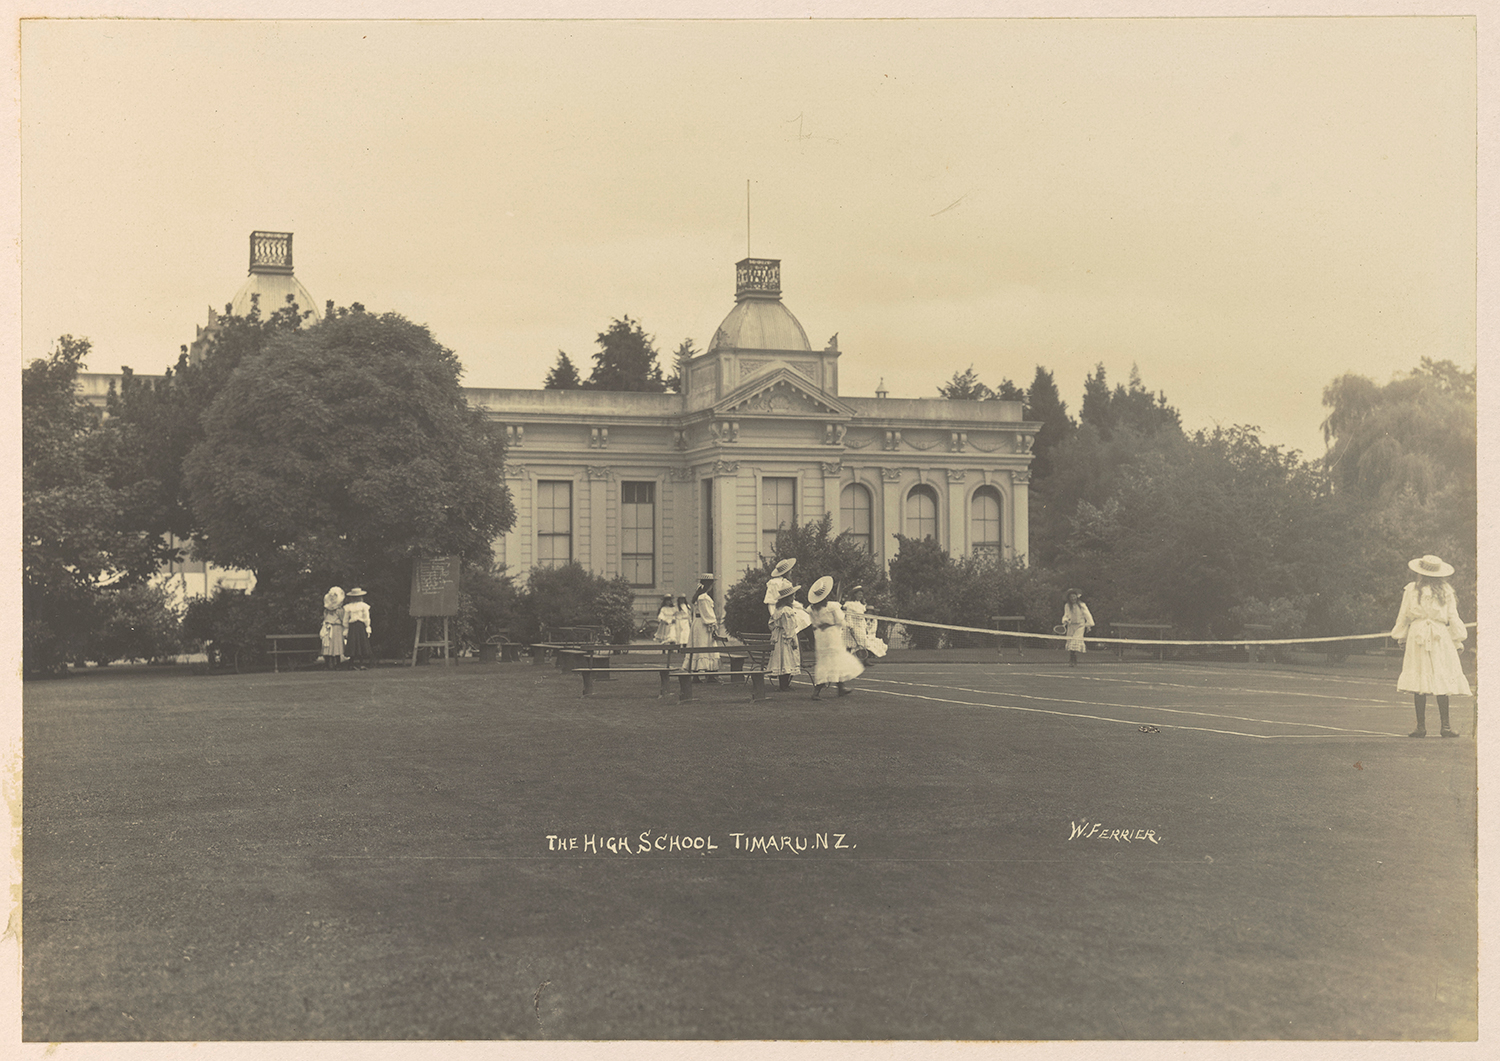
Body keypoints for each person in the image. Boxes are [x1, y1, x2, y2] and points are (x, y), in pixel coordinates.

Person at [1390, 554, 1471, 738]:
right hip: (1423, 635)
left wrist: (1457, 639)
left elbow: (1452, 616)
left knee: (1434, 675)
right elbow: (1405, 615)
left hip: (1437, 636)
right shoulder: (1412, 590)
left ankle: (1435, 726)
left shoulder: (1444, 591)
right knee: (1424, 676)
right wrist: (1402, 637)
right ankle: (1436, 727)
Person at [809, 576, 863, 699]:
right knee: (832, 662)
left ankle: (841, 688)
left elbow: (814, 624)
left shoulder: (811, 609)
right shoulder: (832, 606)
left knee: (830, 662)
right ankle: (816, 692)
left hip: (821, 637)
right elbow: (840, 621)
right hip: (831, 636)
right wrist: (845, 623)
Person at [767, 583, 803, 691]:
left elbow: (771, 624)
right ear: (787, 598)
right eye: (792, 596)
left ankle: (784, 684)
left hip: (778, 637)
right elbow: (789, 627)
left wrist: (777, 630)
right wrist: (791, 639)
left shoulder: (778, 610)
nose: (794, 598)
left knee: (782, 660)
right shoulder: (787, 610)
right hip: (785, 638)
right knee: (787, 659)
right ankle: (784, 685)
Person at [689, 574, 722, 682]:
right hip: (703, 625)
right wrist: (713, 625)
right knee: (705, 647)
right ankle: (705, 675)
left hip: (698, 624)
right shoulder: (704, 598)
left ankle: (706, 674)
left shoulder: (700, 596)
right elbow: (707, 614)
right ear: (709, 585)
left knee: (701, 647)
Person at [842, 585, 887, 663]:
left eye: (861, 594)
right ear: (854, 594)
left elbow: (862, 617)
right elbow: (848, 616)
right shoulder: (849, 604)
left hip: (860, 627)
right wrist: (850, 626)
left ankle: (864, 661)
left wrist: (865, 627)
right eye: (859, 593)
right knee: (850, 644)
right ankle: (847, 662)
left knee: (863, 643)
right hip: (853, 626)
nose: (860, 595)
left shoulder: (861, 605)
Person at [1062, 588, 1094, 667]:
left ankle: (1073, 659)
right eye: (1071, 597)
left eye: (1074, 596)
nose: (1073, 598)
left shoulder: (1082, 605)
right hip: (1071, 626)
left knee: (1075, 642)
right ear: (1069, 598)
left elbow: (1087, 615)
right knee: (1070, 643)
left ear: (1077, 597)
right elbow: (1066, 615)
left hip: (1080, 626)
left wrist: (1089, 624)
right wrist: (1066, 620)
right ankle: (1072, 659)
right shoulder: (1067, 606)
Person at [343, 588, 373, 670]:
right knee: (353, 645)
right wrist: (345, 629)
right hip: (353, 626)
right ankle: (352, 664)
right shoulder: (348, 607)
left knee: (361, 645)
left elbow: (366, 618)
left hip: (360, 626)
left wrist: (367, 627)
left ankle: (360, 663)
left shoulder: (363, 606)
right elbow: (345, 619)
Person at [320, 586, 346, 668]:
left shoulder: (339, 610)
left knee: (336, 646)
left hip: (337, 628)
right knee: (328, 646)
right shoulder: (326, 610)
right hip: (329, 628)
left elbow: (342, 620)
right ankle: (328, 663)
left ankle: (337, 663)